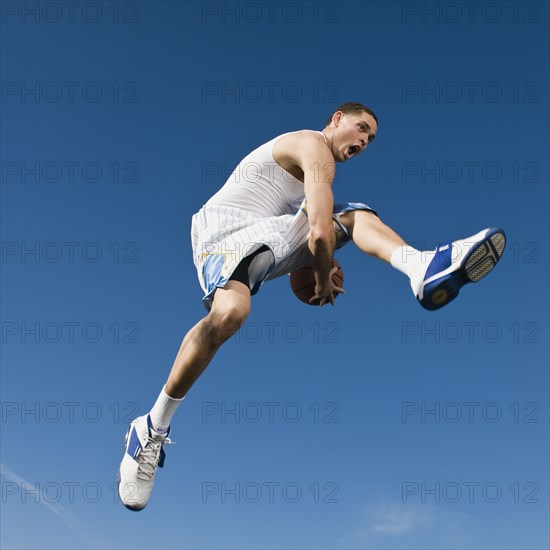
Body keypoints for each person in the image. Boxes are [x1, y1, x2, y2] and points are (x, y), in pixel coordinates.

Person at [117, 102, 505, 510]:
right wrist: (321, 274)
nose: (363, 141)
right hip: (224, 229)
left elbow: (302, 249)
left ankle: (150, 426)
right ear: (336, 119)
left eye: (370, 139)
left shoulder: (297, 192)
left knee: (230, 314)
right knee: (353, 217)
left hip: (245, 239)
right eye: (360, 129)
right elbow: (319, 235)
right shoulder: (312, 146)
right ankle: (422, 264)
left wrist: (308, 274)